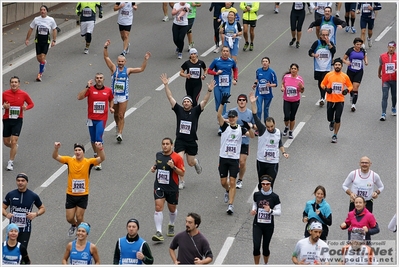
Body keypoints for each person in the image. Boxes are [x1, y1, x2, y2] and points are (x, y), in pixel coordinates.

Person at [160, 73, 215, 189]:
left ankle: (195, 162)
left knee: (189, 162)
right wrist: (166, 85)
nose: (185, 103)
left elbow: (204, 101)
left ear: (191, 103)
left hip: (191, 141)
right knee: (179, 160)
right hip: (180, 140)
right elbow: (170, 98)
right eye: (184, 101)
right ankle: (182, 181)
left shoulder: (196, 111)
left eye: (188, 101)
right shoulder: (179, 110)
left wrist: (209, 91)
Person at [52, 142, 105, 237]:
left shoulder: (88, 162)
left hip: (83, 195)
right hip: (71, 194)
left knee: (79, 217)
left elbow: (102, 158)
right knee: (69, 218)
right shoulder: (69, 160)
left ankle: (81, 235)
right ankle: (74, 224)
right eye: (76, 150)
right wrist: (56, 148)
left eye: (79, 150)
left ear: (83, 152)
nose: (77, 152)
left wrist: (100, 149)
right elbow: (55, 157)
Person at [103, 39, 151, 143]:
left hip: (123, 96)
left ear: (125, 62)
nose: (120, 63)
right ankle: (117, 126)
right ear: (117, 62)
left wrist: (145, 59)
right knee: (115, 115)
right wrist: (105, 47)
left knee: (121, 115)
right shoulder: (113, 68)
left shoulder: (128, 70)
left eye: (122, 62)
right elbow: (106, 57)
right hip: (114, 96)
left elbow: (141, 69)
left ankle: (120, 133)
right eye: (119, 61)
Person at [218, 93, 255, 215]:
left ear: (237, 117)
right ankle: (227, 190)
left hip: (234, 159)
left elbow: (253, 136)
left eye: (234, 117)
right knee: (224, 182)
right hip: (224, 158)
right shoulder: (225, 127)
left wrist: (248, 128)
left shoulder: (241, 129)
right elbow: (219, 116)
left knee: (232, 181)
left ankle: (231, 205)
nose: (232, 118)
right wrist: (222, 104)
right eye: (231, 117)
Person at [249, 91, 289, 190]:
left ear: (274, 124)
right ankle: (258, 202)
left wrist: (284, 152)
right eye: (268, 127)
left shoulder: (278, 132)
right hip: (262, 161)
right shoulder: (262, 130)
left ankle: (268, 203)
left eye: (271, 126)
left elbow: (279, 143)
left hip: (273, 162)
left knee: (270, 184)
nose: (270, 128)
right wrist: (253, 103)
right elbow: (255, 116)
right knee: (261, 183)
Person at [150, 137, 185, 242]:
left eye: (167, 144)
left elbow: (182, 172)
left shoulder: (177, 158)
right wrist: (154, 167)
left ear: (171, 145)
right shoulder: (158, 155)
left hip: (172, 187)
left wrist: (173, 167)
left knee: (172, 209)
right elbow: (158, 163)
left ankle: (171, 223)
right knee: (158, 207)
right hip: (159, 186)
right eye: (163, 144)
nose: (165, 146)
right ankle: (159, 232)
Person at [77, 73, 114, 171]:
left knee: (98, 139)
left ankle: (99, 161)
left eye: (101, 78)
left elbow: (111, 99)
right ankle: (96, 154)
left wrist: (111, 107)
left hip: (101, 119)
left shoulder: (108, 90)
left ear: (104, 79)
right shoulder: (90, 90)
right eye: (97, 78)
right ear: (95, 79)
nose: (99, 80)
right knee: (93, 140)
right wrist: (87, 87)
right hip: (91, 119)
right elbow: (79, 97)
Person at [3, 173, 45, 249]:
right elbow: (2, 208)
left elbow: (42, 208)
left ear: (26, 182)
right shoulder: (11, 194)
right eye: (18, 180)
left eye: (23, 180)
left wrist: (35, 214)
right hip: (12, 229)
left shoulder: (33, 196)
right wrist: (6, 214)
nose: (20, 183)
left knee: (22, 250)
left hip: (25, 229)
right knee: (10, 249)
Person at [223, 94, 255, 189]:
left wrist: (250, 126)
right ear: (237, 101)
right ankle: (231, 176)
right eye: (240, 100)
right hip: (233, 141)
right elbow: (221, 119)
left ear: (246, 102)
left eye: (244, 100)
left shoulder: (249, 113)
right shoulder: (232, 112)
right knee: (232, 161)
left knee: (242, 162)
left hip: (244, 141)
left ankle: (240, 180)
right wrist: (231, 122)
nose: (241, 101)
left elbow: (256, 125)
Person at [2, 76, 34, 171]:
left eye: (16, 82)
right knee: (6, 142)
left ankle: (10, 162)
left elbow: (31, 104)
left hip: (18, 119)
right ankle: (14, 147)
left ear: (19, 84)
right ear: (10, 84)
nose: (14, 84)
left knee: (14, 140)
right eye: (12, 82)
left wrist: (25, 108)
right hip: (7, 119)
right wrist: (4, 106)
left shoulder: (23, 94)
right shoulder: (5, 94)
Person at [320, 57, 353, 143]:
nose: (337, 66)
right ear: (334, 66)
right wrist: (326, 89)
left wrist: (347, 90)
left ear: (341, 66)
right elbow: (322, 84)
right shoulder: (329, 75)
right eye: (336, 65)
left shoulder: (345, 76)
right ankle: (331, 121)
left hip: (340, 100)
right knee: (329, 117)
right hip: (330, 100)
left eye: (339, 65)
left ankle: (335, 135)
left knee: (338, 117)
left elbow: (350, 86)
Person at [250, 175, 281, 265]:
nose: (265, 185)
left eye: (267, 184)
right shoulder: (257, 195)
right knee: (256, 247)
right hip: (257, 224)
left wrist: (270, 211)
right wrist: (254, 210)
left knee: (265, 247)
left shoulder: (275, 197)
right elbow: (255, 204)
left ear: (270, 185)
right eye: (263, 184)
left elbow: (279, 212)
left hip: (268, 226)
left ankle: (266, 264)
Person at [208, 46, 238, 132]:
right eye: (224, 51)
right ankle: (220, 119)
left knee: (223, 104)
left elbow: (235, 70)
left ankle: (222, 127)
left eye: (227, 51)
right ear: (221, 52)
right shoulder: (216, 61)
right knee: (218, 106)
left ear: (229, 53)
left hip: (227, 86)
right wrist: (216, 73)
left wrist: (235, 79)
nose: (225, 53)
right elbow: (209, 70)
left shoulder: (232, 61)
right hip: (217, 85)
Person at [25, 5, 57, 82]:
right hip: (38, 40)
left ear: (46, 11)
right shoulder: (36, 19)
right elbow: (31, 28)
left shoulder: (51, 20)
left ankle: (39, 74)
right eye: (41, 10)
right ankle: (43, 63)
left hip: (46, 41)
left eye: (44, 10)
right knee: (39, 58)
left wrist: (54, 40)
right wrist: (27, 39)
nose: (42, 11)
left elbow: (54, 29)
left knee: (42, 56)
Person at [308, 28, 336, 107]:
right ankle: (323, 94)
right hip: (318, 67)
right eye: (323, 35)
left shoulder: (331, 43)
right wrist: (314, 55)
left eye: (326, 35)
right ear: (320, 36)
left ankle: (322, 98)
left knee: (325, 82)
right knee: (320, 83)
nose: (325, 37)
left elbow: (333, 51)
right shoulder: (317, 43)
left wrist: (329, 44)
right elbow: (310, 52)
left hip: (327, 68)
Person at [342, 37, 368, 112]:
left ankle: (353, 104)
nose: (358, 46)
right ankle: (351, 96)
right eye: (357, 44)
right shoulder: (350, 50)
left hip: (359, 71)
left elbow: (365, 56)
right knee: (350, 87)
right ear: (354, 44)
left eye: (360, 44)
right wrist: (346, 62)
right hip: (351, 71)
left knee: (355, 87)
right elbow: (343, 59)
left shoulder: (362, 50)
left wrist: (366, 61)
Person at [280, 63, 304, 139]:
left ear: (297, 70)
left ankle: (290, 131)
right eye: (292, 68)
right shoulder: (286, 77)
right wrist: (282, 88)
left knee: (292, 117)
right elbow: (283, 84)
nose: (293, 70)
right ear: (290, 69)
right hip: (287, 99)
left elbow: (302, 91)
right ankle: (286, 126)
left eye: (295, 69)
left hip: (295, 100)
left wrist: (301, 87)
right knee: (286, 116)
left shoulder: (299, 79)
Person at [252, 57, 278, 127]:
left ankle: (267, 125)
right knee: (259, 110)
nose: (264, 63)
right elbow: (257, 79)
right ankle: (258, 126)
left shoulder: (272, 72)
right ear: (261, 63)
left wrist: (270, 85)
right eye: (263, 61)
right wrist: (254, 84)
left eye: (266, 61)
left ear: (269, 63)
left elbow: (276, 84)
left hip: (268, 94)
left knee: (266, 110)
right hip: (259, 93)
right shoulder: (258, 71)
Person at [378, 41, 397, 121]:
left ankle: (393, 107)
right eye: (390, 47)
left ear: (395, 48)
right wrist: (379, 73)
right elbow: (380, 65)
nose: (391, 49)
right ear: (387, 47)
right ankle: (383, 113)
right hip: (385, 80)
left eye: (393, 47)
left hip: (395, 79)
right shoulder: (382, 56)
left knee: (394, 96)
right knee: (385, 96)